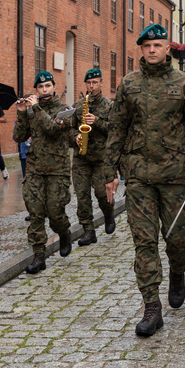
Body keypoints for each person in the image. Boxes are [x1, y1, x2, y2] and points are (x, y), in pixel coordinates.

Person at [104, 24, 185, 337]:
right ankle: (152, 306)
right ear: (141, 49)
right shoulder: (128, 84)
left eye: (158, 45)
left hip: (176, 177)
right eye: (147, 45)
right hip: (139, 179)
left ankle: (178, 271)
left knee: (177, 241)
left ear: (167, 49)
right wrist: (110, 171)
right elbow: (117, 128)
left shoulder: (184, 84)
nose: (152, 50)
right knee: (144, 242)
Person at [13, 71, 75, 274]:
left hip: (58, 169)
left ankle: (64, 232)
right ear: (37, 89)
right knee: (36, 213)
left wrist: (35, 108)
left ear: (54, 87)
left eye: (48, 86)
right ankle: (39, 255)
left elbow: (52, 128)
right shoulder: (31, 109)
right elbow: (19, 136)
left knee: (55, 212)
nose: (44, 90)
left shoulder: (64, 110)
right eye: (40, 87)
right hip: (35, 168)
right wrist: (22, 112)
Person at [68, 68, 116, 246]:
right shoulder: (78, 105)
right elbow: (68, 129)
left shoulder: (109, 106)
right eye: (89, 83)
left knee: (102, 193)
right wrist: (76, 136)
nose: (92, 86)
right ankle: (88, 230)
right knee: (82, 196)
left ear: (101, 83)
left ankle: (109, 214)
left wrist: (97, 122)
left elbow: (115, 130)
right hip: (81, 158)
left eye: (95, 82)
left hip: (101, 158)